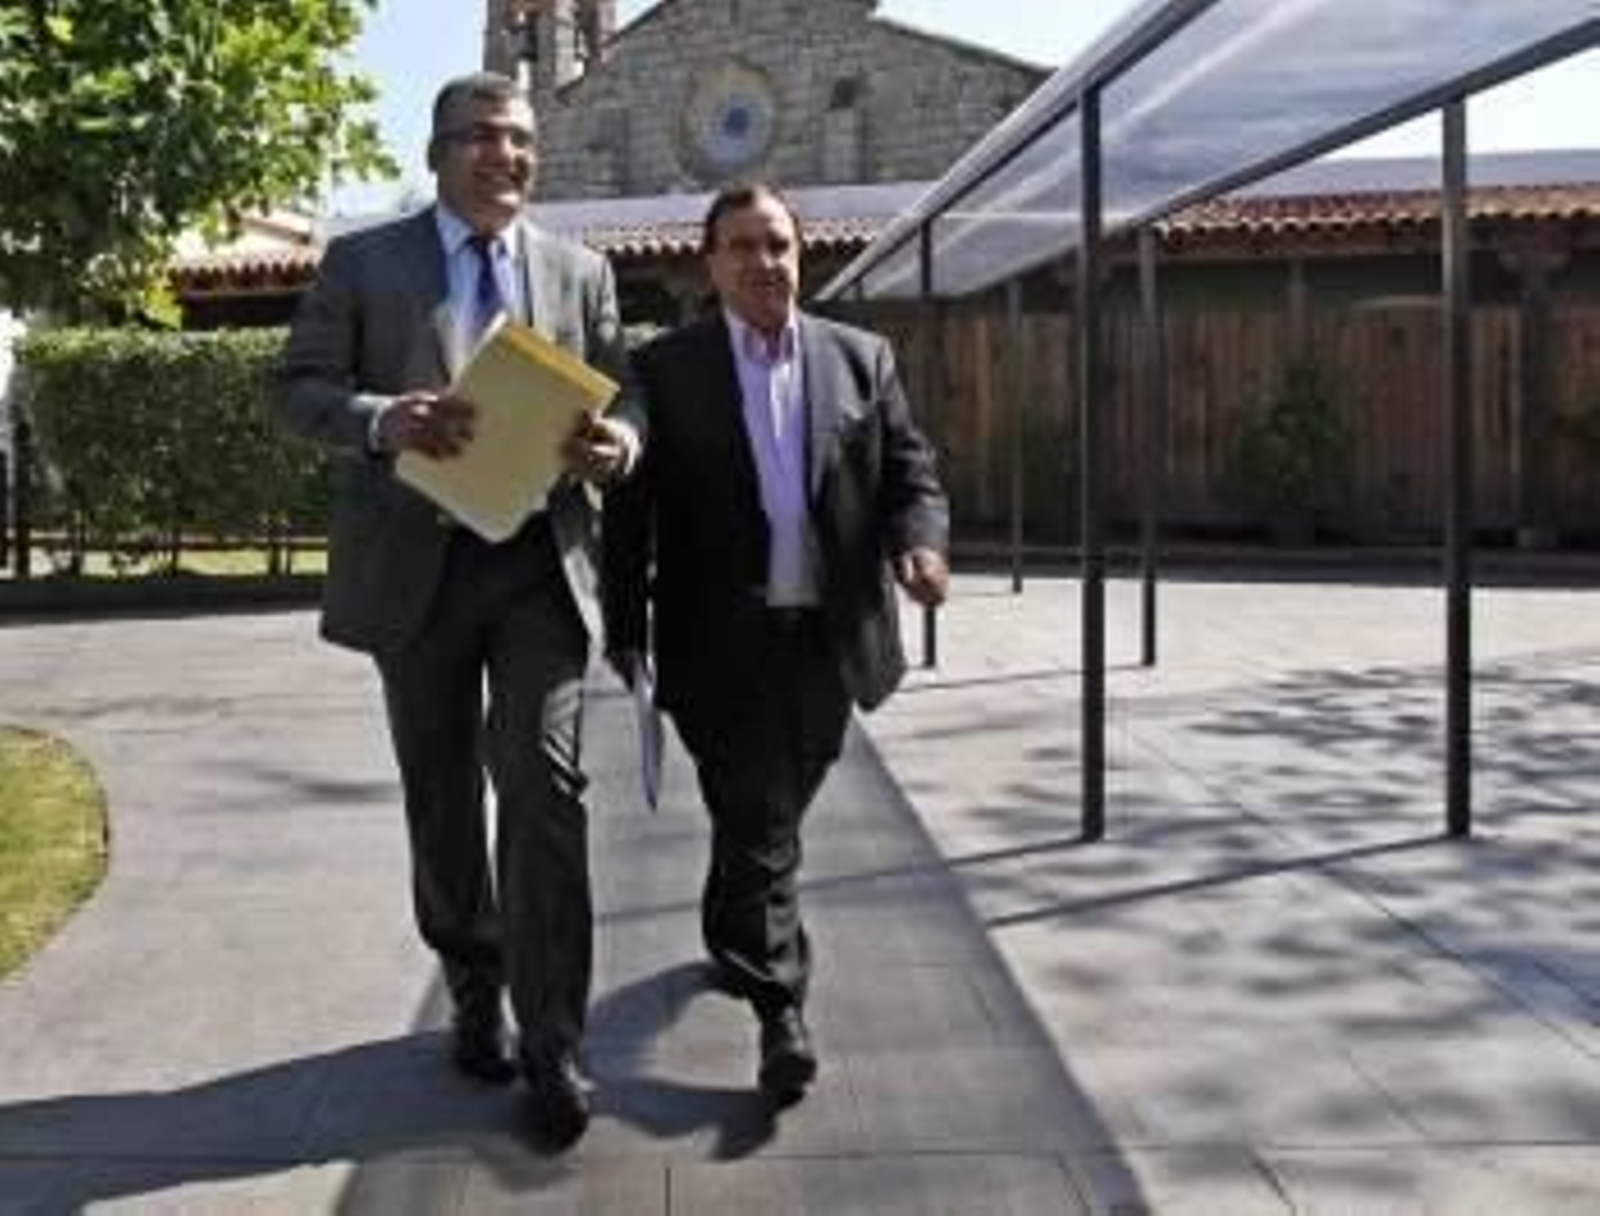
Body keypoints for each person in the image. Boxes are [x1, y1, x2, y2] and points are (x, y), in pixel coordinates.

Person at [277, 71, 637, 1149]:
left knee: (545, 787)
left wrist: (619, 445)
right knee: (441, 799)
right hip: (417, 573)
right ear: (437, 152)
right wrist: (386, 419)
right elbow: (294, 390)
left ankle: (555, 1039)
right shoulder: (362, 263)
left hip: (538, 568)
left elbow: (624, 398)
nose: (506, 154)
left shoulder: (582, 273)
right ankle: (472, 979)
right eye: (481, 136)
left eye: (521, 138)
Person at [602, 182, 950, 1104]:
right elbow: (627, 516)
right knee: (763, 824)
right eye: (744, 247)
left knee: (767, 820)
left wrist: (922, 543)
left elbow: (912, 473)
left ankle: (728, 928)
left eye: (779, 245)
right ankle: (780, 1010)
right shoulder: (666, 370)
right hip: (714, 643)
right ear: (710, 263)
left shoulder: (862, 358)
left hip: (828, 641)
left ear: (803, 256)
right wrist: (624, 635)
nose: (765, 263)